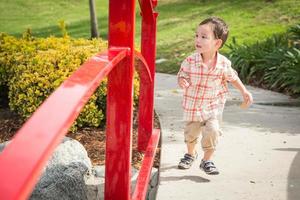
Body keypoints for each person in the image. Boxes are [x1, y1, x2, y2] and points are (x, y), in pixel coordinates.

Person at [177, 17, 253, 175]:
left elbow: (233, 77)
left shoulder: (223, 64)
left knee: (213, 130)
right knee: (191, 134)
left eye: (204, 37)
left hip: (213, 106)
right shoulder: (190, 61)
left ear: (217, 43)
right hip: (193, 105)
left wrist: (244, 91)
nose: (198, 39)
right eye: (196, 35)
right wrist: (182, 81)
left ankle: (207, 160)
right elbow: (182, 75)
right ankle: (190, 154)